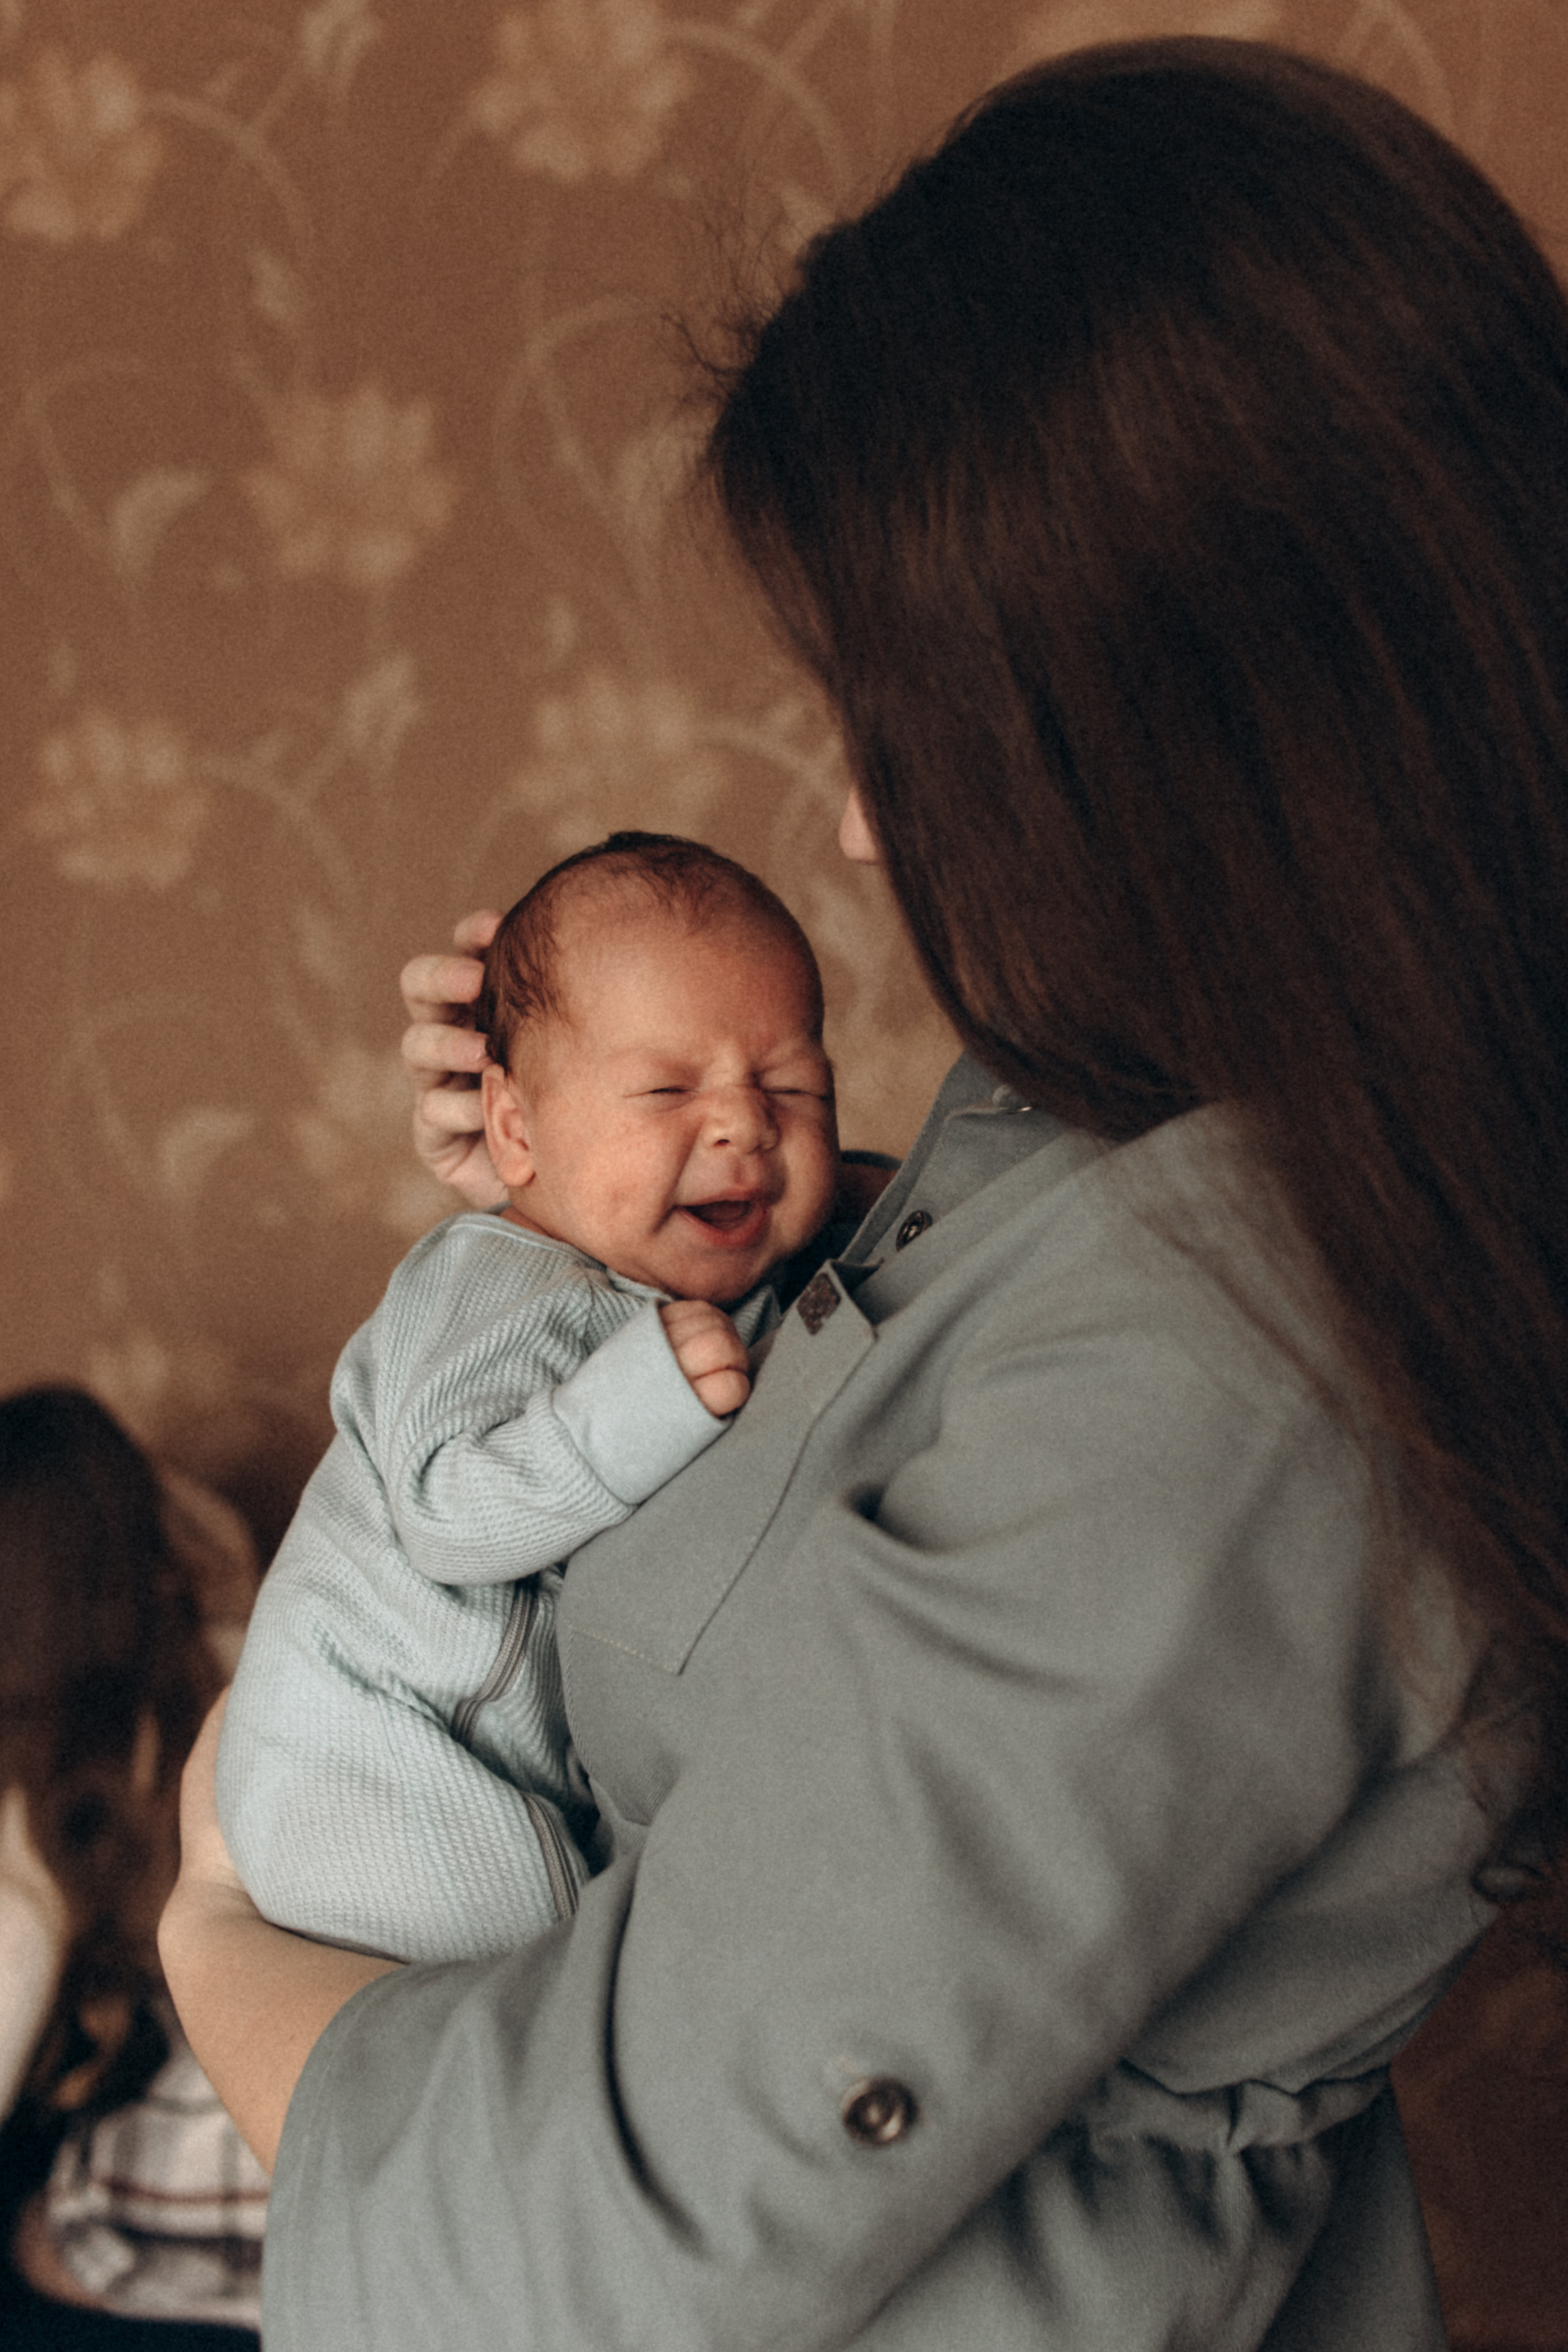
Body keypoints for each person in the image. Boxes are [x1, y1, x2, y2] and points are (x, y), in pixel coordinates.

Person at [160, 37, 1568, 2351]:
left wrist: (216, 1940)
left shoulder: (1246, 1349)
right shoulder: (1161, 1142)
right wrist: (626, 1190)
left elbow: (561, 2259)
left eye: (893, 728)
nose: (853, 824)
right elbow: (943, 1381)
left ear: (1171, 718)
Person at [216, 832, 842, 1966]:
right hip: (374, 1752)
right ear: (513, 1129)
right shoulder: (493, 1282)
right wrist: (636, 1403)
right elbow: (445, 1514)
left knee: (566, 1986)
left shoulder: (709, 1286)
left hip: (463, 1760)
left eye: (795, 1085)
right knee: (558, 1988)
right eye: (667, 1089)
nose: (746, 1123)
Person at [0, 1385, 266, 2346]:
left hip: (204, 2186)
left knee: (33, 2234)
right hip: (341, 2145)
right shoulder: (246, 1661)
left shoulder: (36, 1812)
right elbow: (213, 1537)